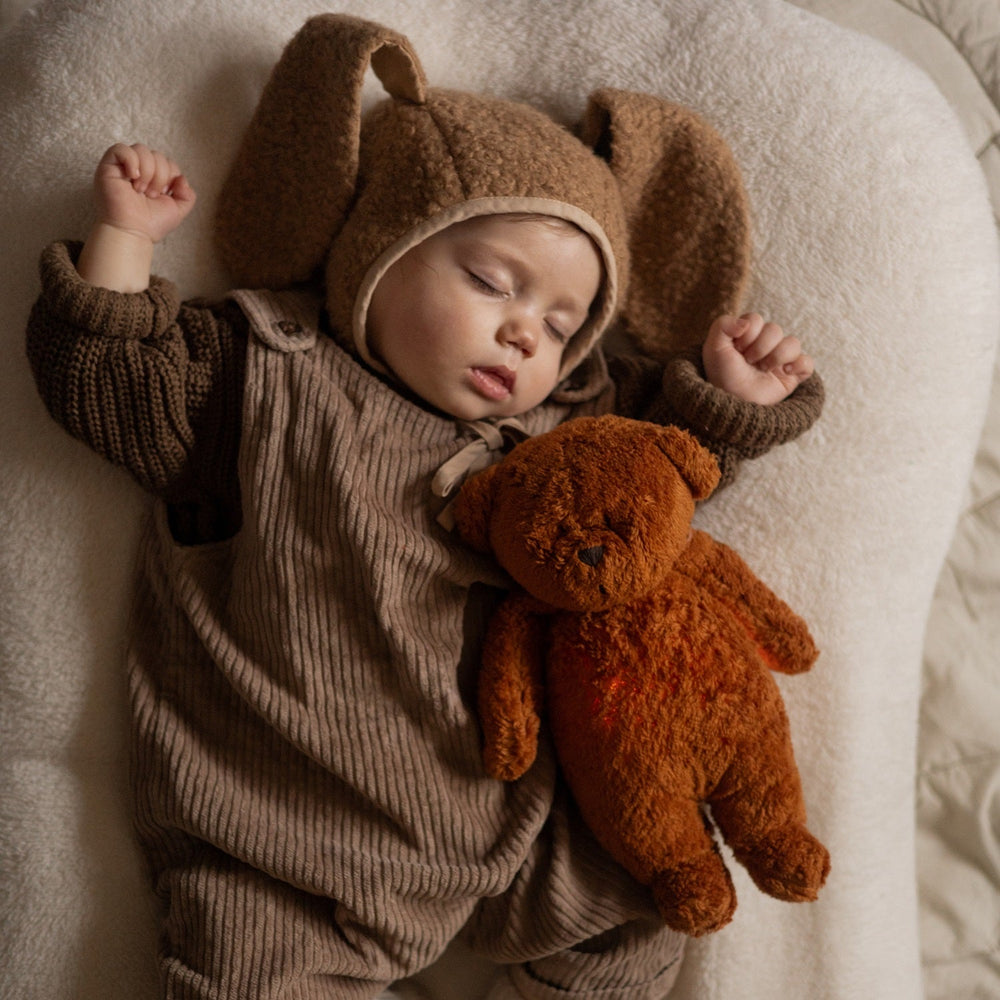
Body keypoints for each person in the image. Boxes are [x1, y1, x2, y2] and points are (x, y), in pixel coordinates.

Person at [26, 14, 823, 1000]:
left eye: (562, 326)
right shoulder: (265, 376)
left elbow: (653, 492)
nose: (522, 332)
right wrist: (123, 244)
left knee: (632, 915)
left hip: (523, 823)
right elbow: (106, 380)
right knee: (244, 973)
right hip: (289, 842)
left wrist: (727, 404)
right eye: (492, 281)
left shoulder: (566, 433)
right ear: (382, 246)